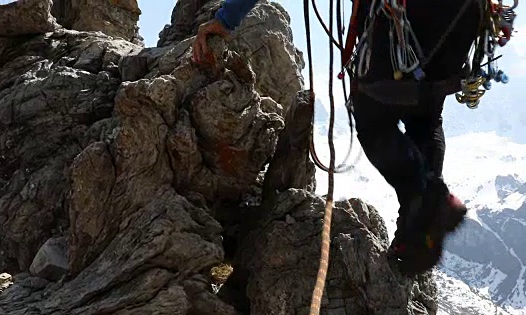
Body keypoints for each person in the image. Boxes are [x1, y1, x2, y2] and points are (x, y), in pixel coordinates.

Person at [193, 0, 473, 277]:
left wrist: (228, 18)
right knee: (424, 118)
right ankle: (416, 237)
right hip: (460, 20)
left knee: (374, 121)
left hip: (403, 18)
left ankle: (430, 201)